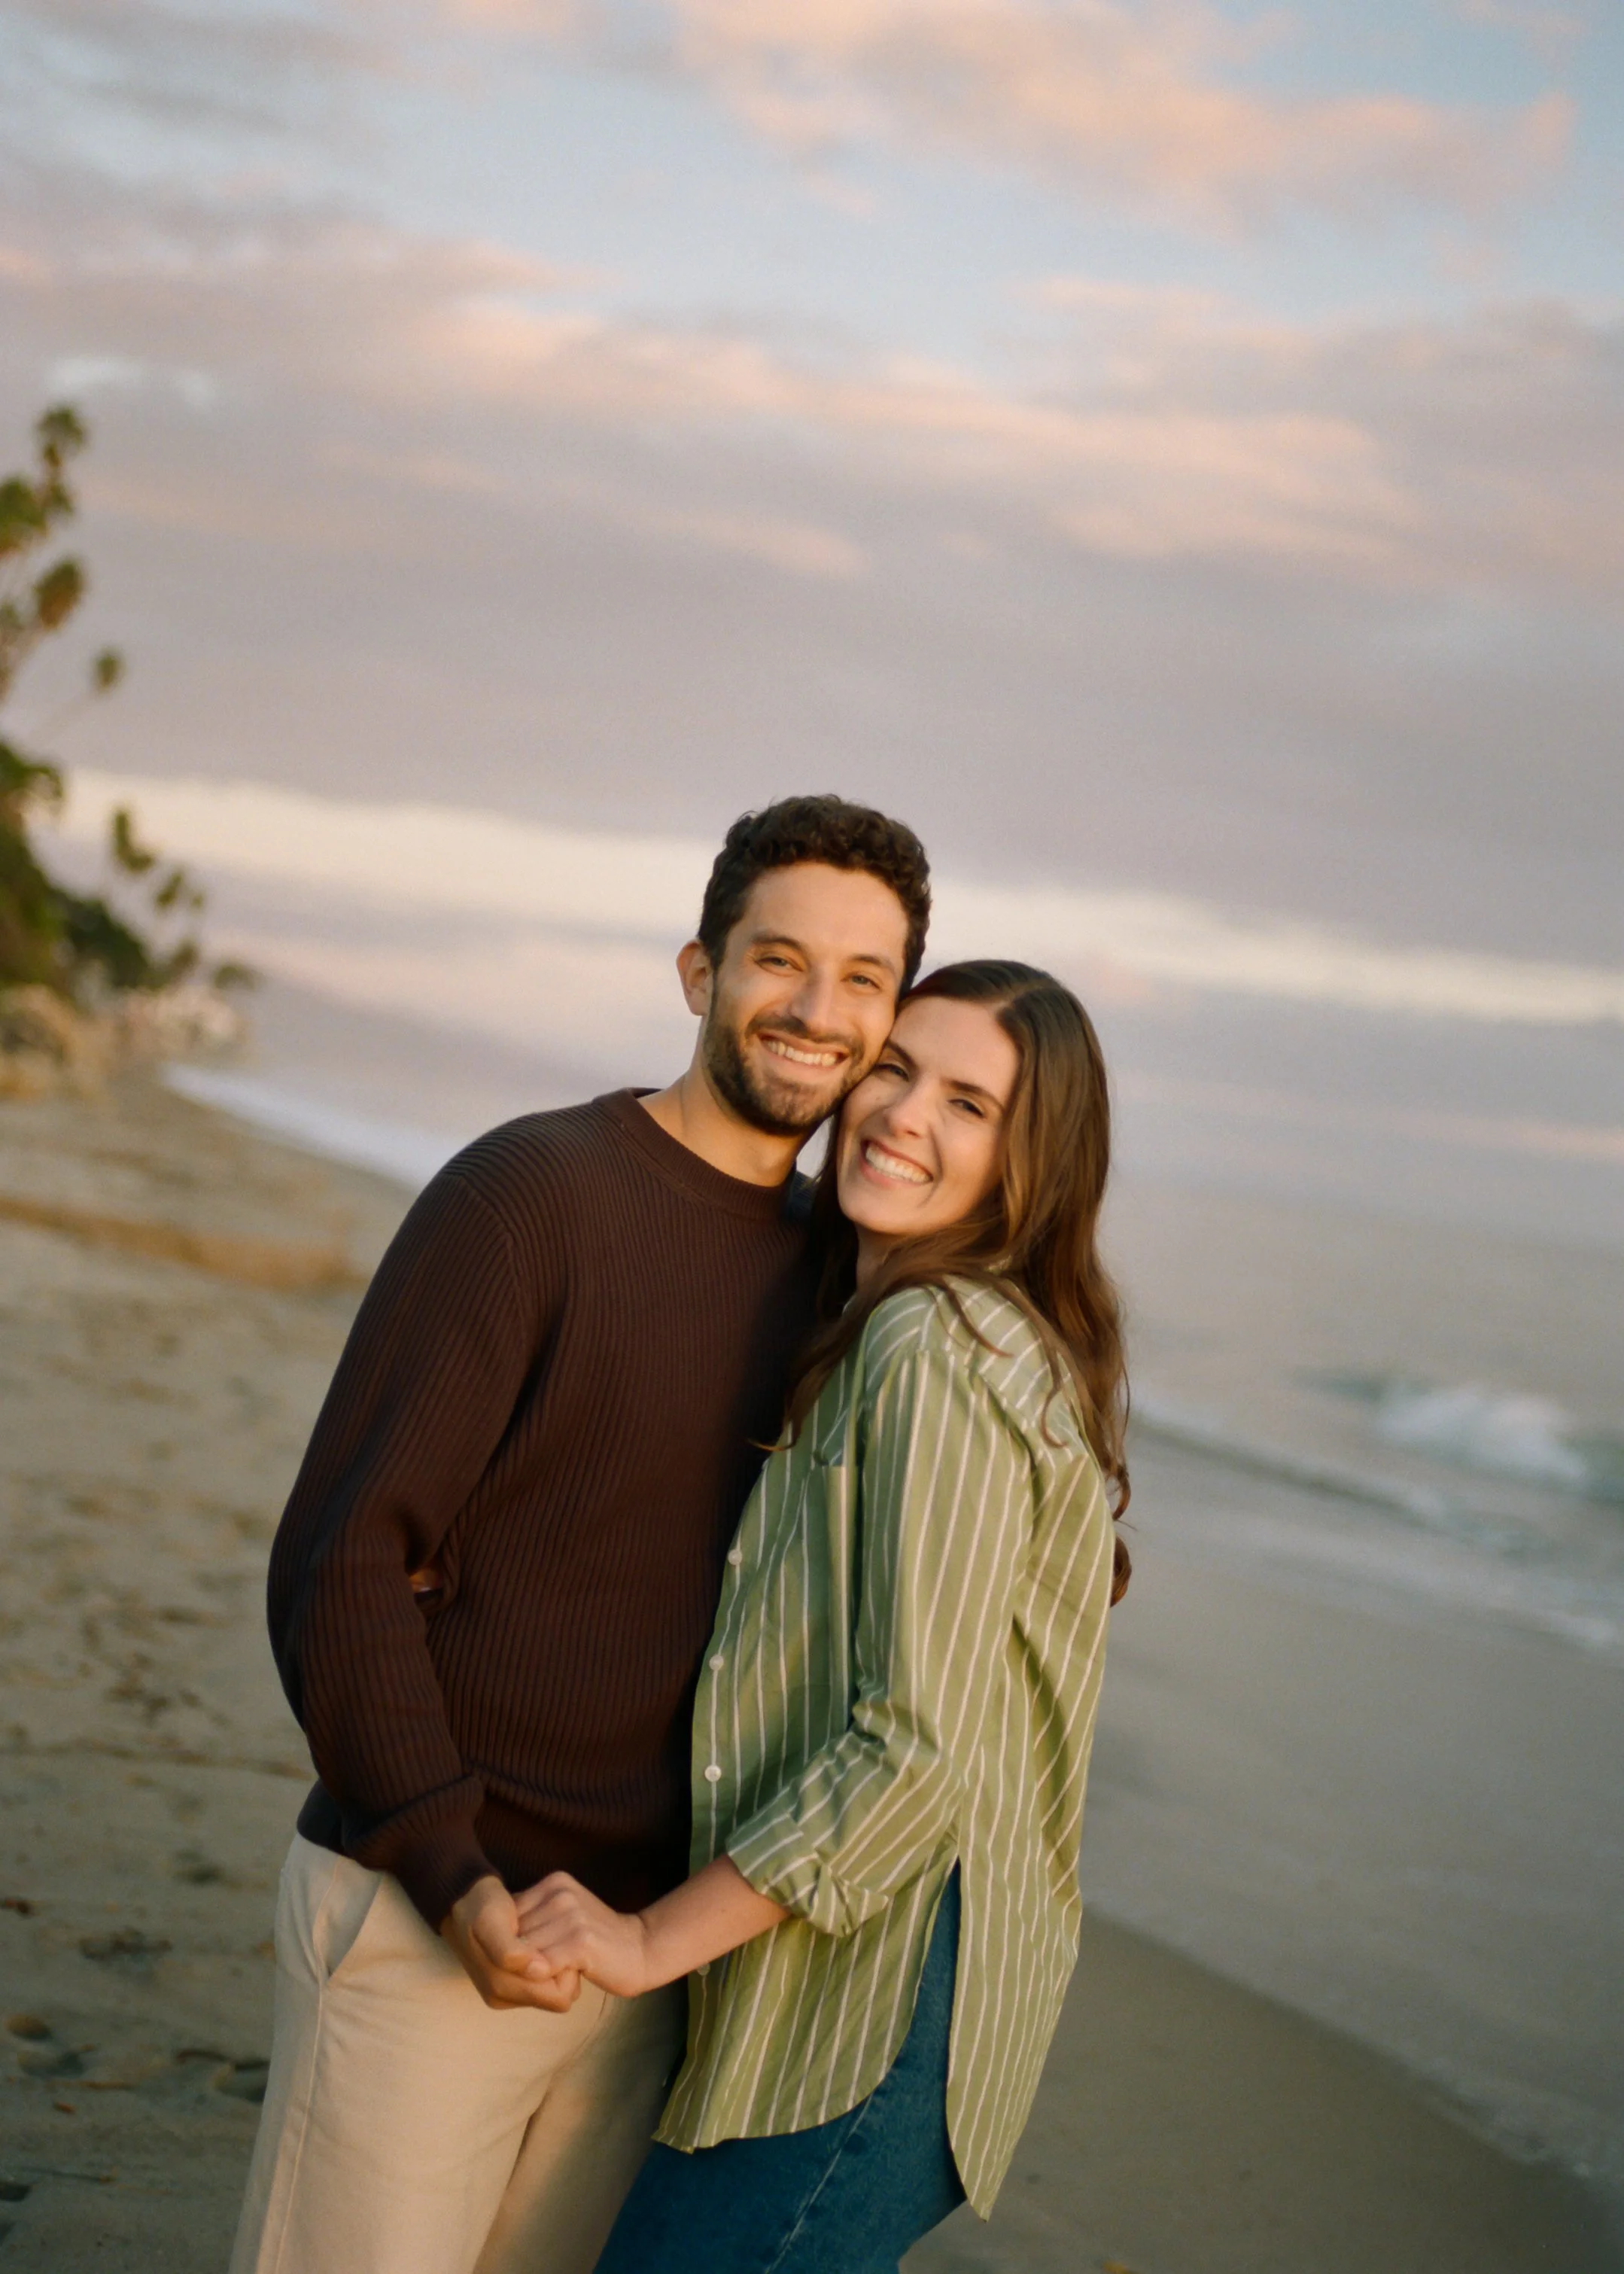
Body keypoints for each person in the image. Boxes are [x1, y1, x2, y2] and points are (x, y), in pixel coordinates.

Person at [228, 795, 933, 2274]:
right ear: (698, 973)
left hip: (653, 1962)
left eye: (863, 981)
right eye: (776, 960)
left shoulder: (852, 1291)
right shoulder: (527, 1196)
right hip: (436, 1921)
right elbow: (344, 1555)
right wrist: (446, 1867)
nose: (813, 1009)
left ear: (891, 1024)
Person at [518, 958, 1132, 2274]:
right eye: (897, 1070)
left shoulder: (939, 1352)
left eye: (971, 1105)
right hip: (845, 1995)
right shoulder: (904, 1327)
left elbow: (915, 1752)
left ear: (1032, 1165)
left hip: (877, 2011)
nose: (904, 1115)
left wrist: (644, 1938)